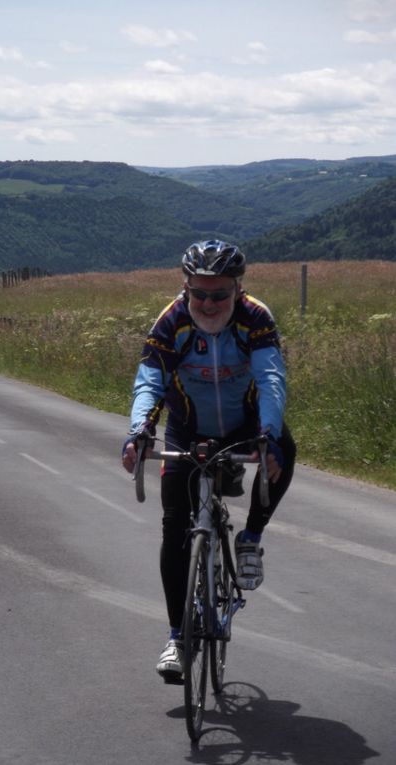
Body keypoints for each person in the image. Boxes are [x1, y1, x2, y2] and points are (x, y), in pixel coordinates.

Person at [122, 240, 296, 683]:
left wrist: (269, 436)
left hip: (246, 424)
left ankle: (251, 538)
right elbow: (149, 380)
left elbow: (270, 378)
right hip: (188, 428)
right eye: (200, 293)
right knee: (174, 524)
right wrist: (139, 431)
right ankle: (178, 638)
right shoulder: (173, 321)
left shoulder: (255, 318)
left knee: (286, 450)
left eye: (220, 294)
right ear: (186, 287)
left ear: (238, 288)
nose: (209, 303)